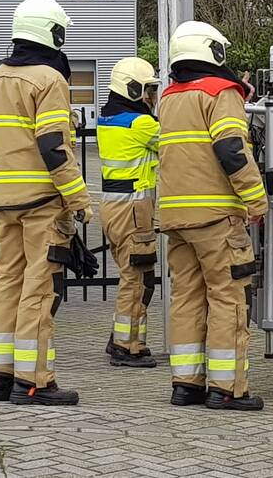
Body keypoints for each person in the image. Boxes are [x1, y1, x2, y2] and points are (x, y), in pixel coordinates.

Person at [0, 0, 92, 406]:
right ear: (53, 33)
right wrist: (77, 197)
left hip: (5, 199)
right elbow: (53, 145)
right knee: (39, 288)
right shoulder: (50, 79)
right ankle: (33, 382)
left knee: (7, 281)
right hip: (42, 201)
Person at [158, 20, 267, 411]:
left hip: (175, 217)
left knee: (186, 296)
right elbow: (232, 150)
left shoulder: (169, 96)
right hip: (216, 217)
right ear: (214, 52)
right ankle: (226, 388)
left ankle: (185, 384)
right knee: (227, 298)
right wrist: (257, 201)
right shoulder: (221, 94)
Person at [97, 57, 161, 367]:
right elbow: (176, 145)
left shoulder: (107, 118)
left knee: (132, 274)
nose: (150, 97)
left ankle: (127, 339)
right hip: (134, 208)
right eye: (148, 91)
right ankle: (125, 345)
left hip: (113, 206)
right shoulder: (141, 123)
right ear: (132, 88)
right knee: (137, 278)